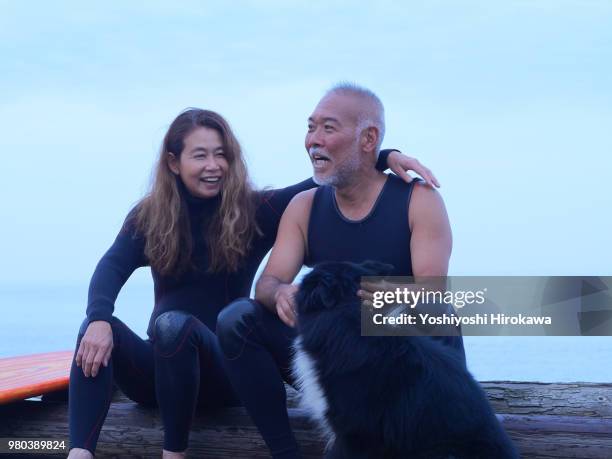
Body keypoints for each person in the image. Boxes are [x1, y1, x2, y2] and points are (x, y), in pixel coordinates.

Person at [67, 107, 436, 459]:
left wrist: (382, 156)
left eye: (221, 154)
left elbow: (323, 179)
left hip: (223, 374)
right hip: (162, 377)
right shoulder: (149, 216)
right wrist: (99, 318)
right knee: (97, 329)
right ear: (173, 162)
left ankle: (173, 452)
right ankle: (79, 450)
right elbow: (112, 265)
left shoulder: (252, 210)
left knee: (172, 325)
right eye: (200, 156)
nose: (214, 166)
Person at [216, 83, 466, 459]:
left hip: (400, 368)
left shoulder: (419, 200)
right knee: (237, 319)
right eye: (310, 127)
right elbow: (266, 284)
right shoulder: (303, 206)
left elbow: (430, 294)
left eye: (328, 129)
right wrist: (281, 293)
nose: (312, 140)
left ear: (369, 139)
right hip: (338, 358)